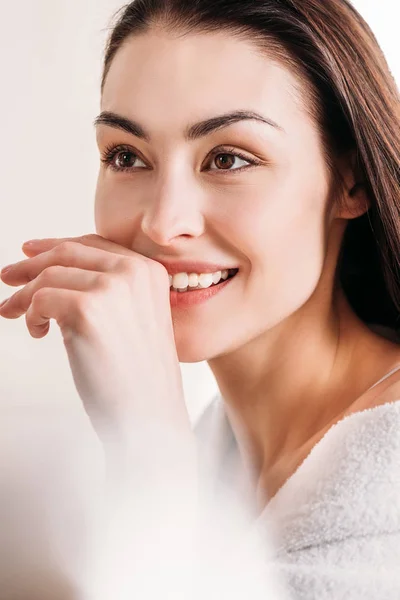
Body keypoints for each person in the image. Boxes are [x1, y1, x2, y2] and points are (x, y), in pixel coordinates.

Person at [0, 0, 399, 597]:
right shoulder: (226, 445)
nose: (163, 224)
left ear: (351, 182)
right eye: (126, 156)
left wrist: (149, 451)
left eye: (228, 159)